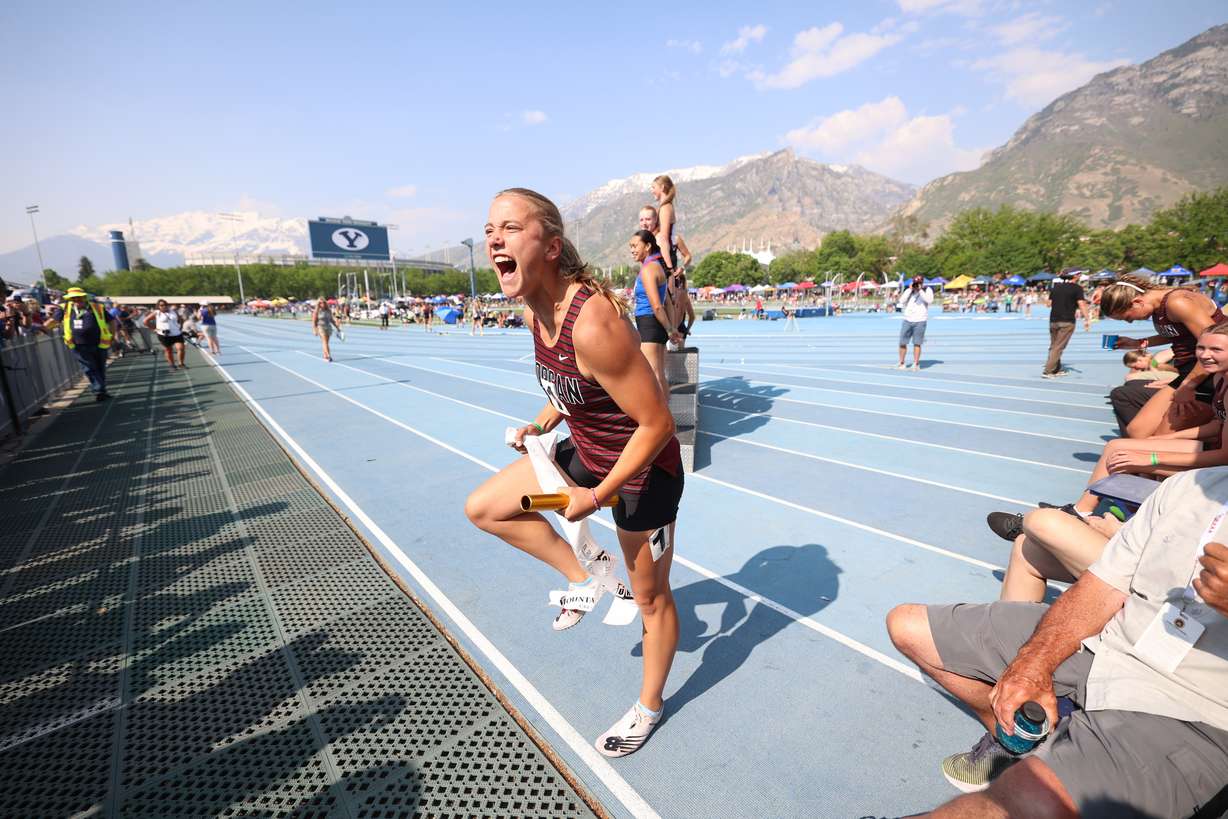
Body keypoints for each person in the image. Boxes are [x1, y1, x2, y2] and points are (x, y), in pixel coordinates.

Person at [465, 188, 683, 758]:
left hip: (640, 477)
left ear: (552, 245)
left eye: (510, 228)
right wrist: (539, 425)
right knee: (490, 508)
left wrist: (601, 495)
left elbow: (658, 422)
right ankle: (587, 578)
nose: (494, 239)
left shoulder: (591, 323)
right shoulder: (536, 310)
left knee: (652, 598)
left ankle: (648, 707)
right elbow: (572, 391)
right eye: (490, 229)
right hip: (585, 456)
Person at [887, 466, 1228, 815]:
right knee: (908, 627)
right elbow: (1102, 587)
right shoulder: (1187, 486)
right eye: (1222, 410)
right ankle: (1017, 744)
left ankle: (1045, 765)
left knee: (1025, 798)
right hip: (1107, 646)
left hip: (1186, 707)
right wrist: (1032, 665)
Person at [1026, 323, 1228, 521]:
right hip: (1212, 449)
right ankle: (1082, 512)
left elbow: (1223, 457)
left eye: (1215, 349)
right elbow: (1217, 426)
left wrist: (1152, 459)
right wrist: (1167, 438)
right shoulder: (1220, 376)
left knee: (1128, 457)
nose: (1204, 355)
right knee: (1116, 446)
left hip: (1221, 467)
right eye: (1201, 347)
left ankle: (1133, 514)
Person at [1100, 273, 1224, 437]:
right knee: (1136, 432)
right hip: (1190, 372)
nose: (1129, 322)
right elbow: (1179, 333)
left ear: (1137, 302)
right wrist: (1139, 343)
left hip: (1208, 375)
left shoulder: (1177, 303)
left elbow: (1213, 348)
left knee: (1158, 440)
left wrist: (1188, 386)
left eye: (1127, 317)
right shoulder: (1159, 308)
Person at [630, 229, 679, 399]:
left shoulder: (648, 269)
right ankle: (666, 417)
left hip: (650, 324)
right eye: (631, 246)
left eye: (635, 246)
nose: (632, 250)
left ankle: (662, 420)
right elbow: (667, 303)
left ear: (648, 246)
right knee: (658, 374)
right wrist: (670, 328)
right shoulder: (655, 266)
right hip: (653, 325)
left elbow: (658, 306)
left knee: (651, 375)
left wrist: (670, 329)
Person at [60, 287, 114, 401]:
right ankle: (99, 390)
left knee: (100, 368)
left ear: (84, 298)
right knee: (89, 367)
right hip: (78, 345)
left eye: (78, 297)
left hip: (100, 344)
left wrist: (112, 335)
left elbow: (111, 321)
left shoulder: (98, 307)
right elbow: (53, 321)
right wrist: (41, 327)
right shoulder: (64, 308)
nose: (76, 300)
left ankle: (102, 391)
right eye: (73, 298)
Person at [1042, 275, 1090, 378]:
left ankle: (1055, 368)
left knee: (1054, 345)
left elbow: (1048, 304)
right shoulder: (1077, 288)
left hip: (1054, 320)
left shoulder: (1056, 287)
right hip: (1067, 320)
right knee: (1058, 347)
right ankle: (1048, 371)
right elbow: (1081, 304)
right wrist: (1087, 318)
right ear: (1075, 276)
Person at [897, 276, 933, 371]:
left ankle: (916, 363)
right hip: (907, 319)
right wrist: (909, 290)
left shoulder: (927, 290)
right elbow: (901, 301)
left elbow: (929, 300)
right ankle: (901, 362)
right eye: (915, 282)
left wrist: (920, 290)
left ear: (922, 282)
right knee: (902, 342)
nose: (917, 284)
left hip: (920, 320)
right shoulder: (909, 290)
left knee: (917, 343)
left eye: (919, 282)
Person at [144, 298, 186, 371]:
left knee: (181, 348)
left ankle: (181, 364)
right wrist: (154, 329)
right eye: (161, 305)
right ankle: (172, 365)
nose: (164, 306)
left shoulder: (173, 311)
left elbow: (180, 319)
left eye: (165, 305)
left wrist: (180, 327)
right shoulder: (156, 313)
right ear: (158, 306)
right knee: (168, 350)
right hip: (164, 335)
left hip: (176, 333)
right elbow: (145, 321)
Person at [311, 297, 336, 362]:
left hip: (328, 327)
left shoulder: (328, 310)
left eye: (323, 302)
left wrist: (337, 327)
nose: (322, 304)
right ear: (318, 304)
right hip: (321, 327)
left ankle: (325, 355)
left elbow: (331, 320)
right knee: (325, 342)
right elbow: (314, 321)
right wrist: (314, 329)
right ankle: (328, 356)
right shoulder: (317, 311)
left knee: (326, 342)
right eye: (320, 303)